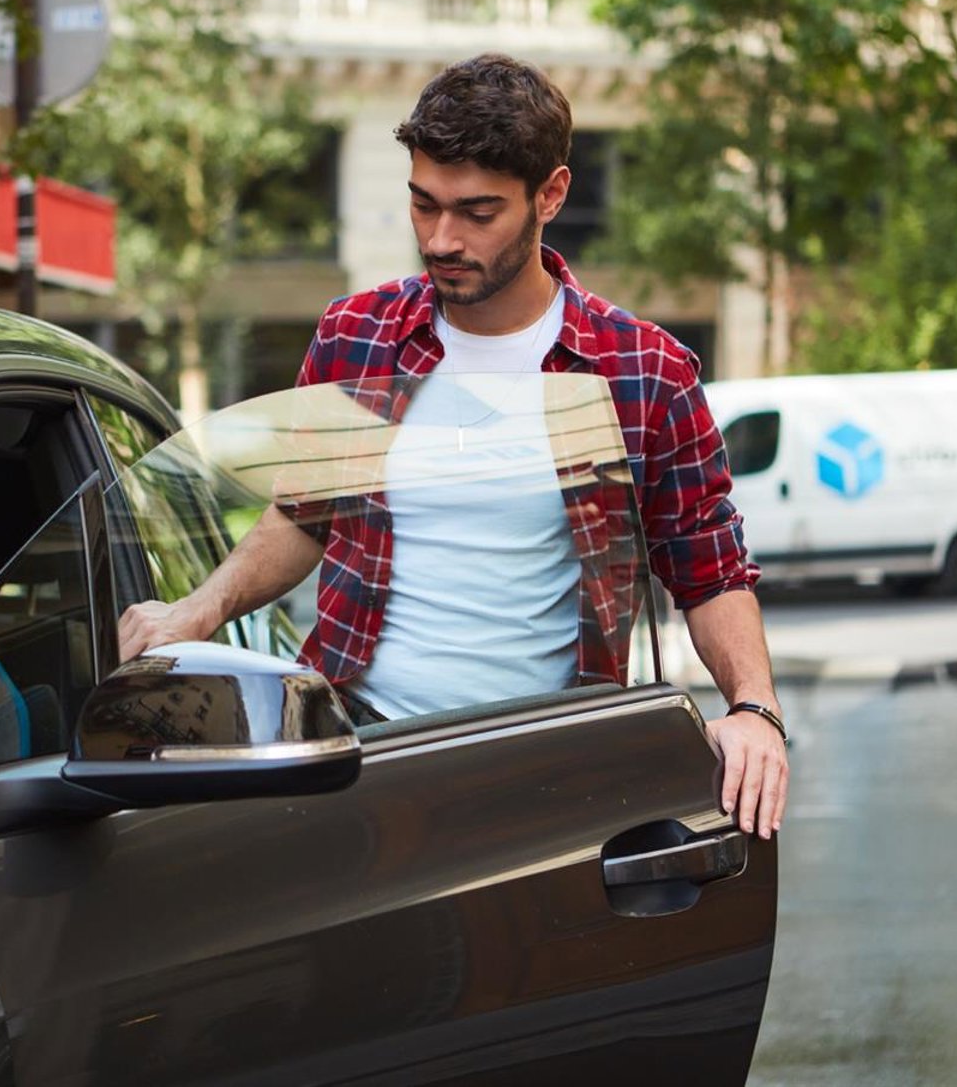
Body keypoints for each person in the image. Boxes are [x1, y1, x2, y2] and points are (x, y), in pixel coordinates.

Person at [120, 53, 789, 840]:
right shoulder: (356, 334)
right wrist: (198, 611)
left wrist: (754, 709)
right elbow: (304, 513)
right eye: (424, 204)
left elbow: (708, 570)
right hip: (357, 748)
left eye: (477, 213)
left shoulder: (641, 371)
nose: (441, 238)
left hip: (545, 765)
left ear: (551, 195)